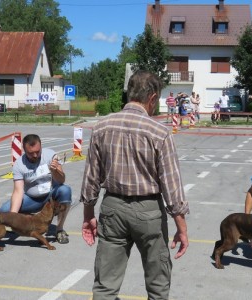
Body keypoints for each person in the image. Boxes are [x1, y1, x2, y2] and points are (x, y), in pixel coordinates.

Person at [80, 70, 189, 300]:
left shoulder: (102, 127)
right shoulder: (159, 132)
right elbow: (171, 185)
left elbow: (91, 177)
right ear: (151, 98)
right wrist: (181, 227)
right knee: (158, 283)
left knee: (105, 286)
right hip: (148, 212)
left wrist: (88, 214)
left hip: (112, 208)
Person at [0, 134, 72, 244]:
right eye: (31, 153)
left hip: (50, 196)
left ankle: (59, 230)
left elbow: (61, 180)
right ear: (24, 150)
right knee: (5, 211)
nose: (35, 155)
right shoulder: (19, 164)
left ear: (41, 146)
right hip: (32, 199)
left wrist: (55, 171)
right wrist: (12, 218)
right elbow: (18, 191)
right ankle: (32, 221)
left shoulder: (51, 155)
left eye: (37, 151)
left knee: (65, 190)